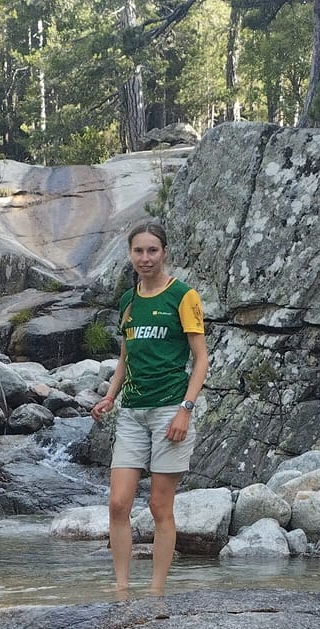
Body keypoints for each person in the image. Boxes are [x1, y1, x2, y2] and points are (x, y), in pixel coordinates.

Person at [90, 221, 208, 596]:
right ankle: (122, 588)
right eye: (138, 251)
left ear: (164, 253)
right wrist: (111, 395)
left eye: (152, 250)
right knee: (118, 502)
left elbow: (201, 360)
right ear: (130, 254)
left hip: (170, 410)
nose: (145, 258)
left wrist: (185, 410)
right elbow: (125, 356)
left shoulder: (183, 296)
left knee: (159, 506)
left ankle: (156, 592)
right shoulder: (128, 301)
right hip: (131, 411)